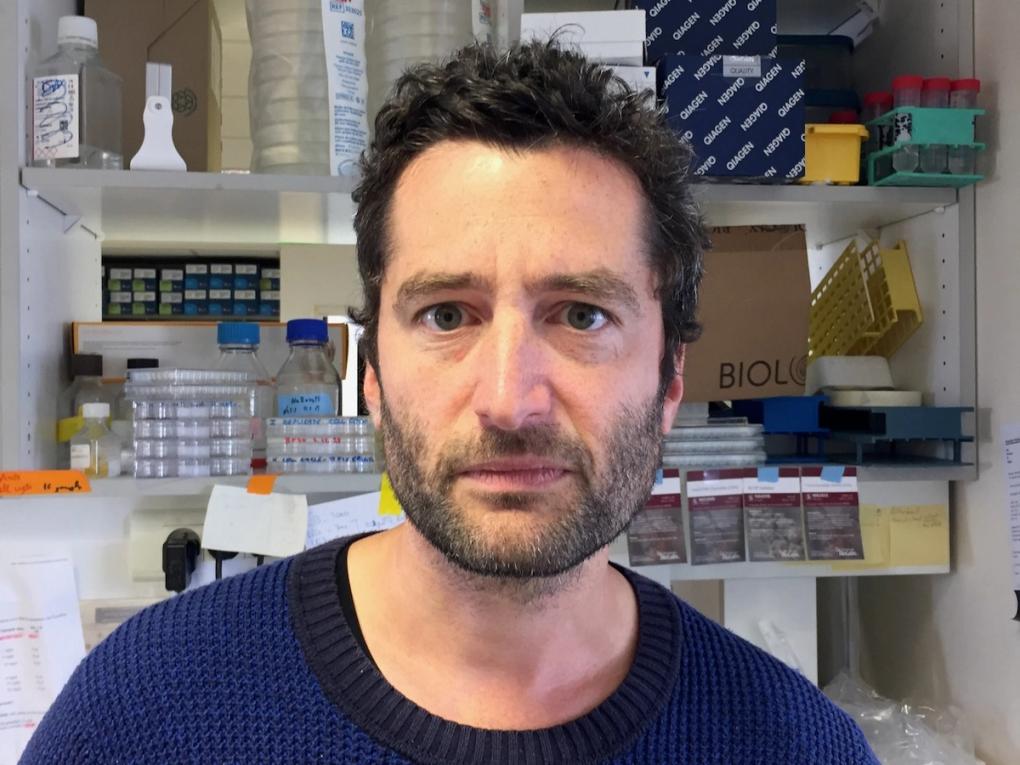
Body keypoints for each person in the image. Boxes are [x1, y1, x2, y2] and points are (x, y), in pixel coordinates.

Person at [21, 40, 878, 764]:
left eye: (582, 315)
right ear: (371, 374)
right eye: (445, 314)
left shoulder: (801, 748)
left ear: (670, 379)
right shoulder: (139, 715)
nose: (509, 400)